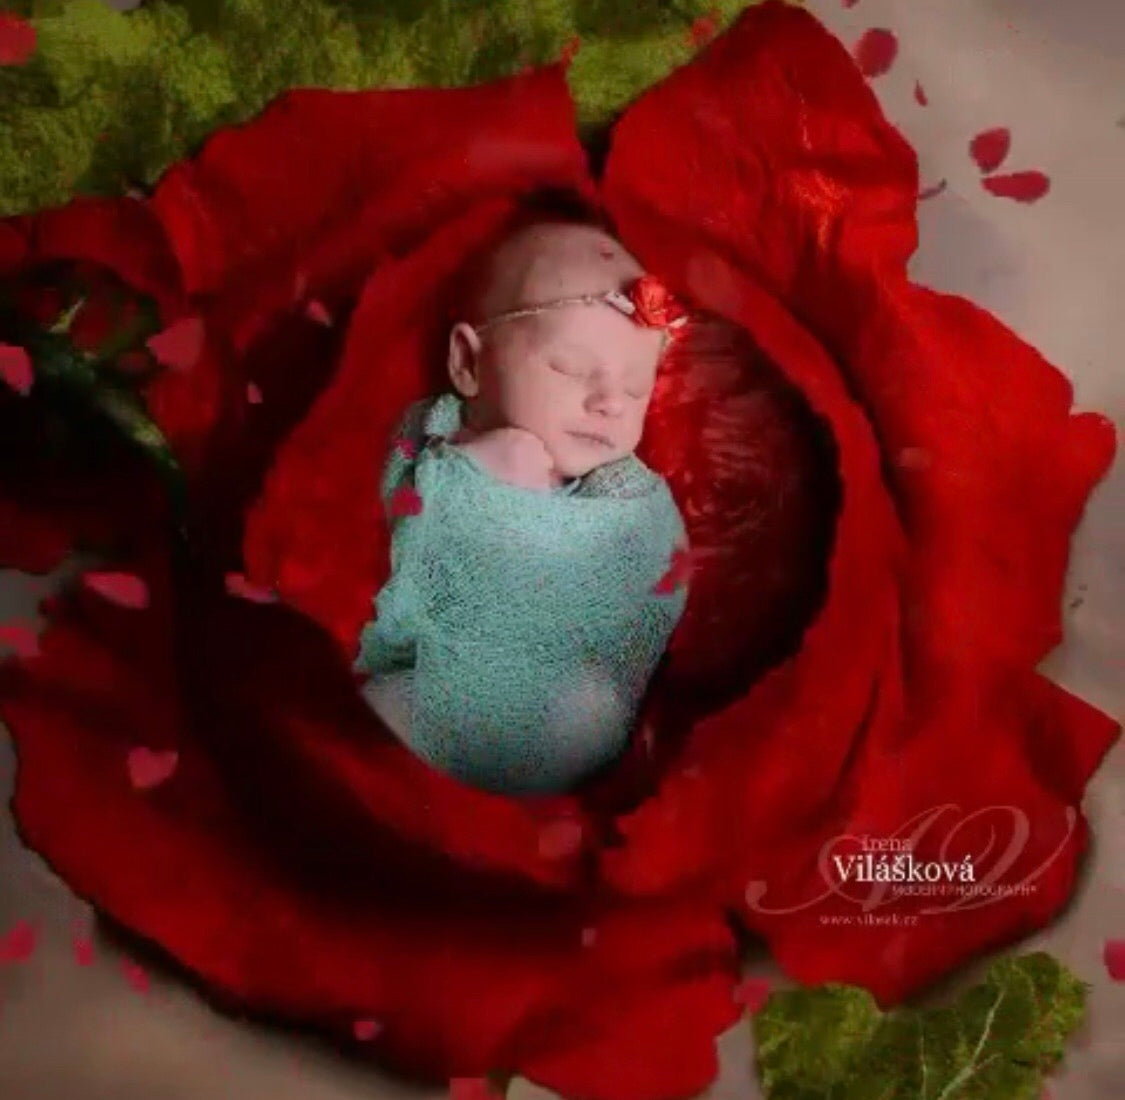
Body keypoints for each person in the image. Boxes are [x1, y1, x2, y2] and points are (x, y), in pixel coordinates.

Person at [354, 219, 691, 795]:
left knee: (593, 711)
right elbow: (396, 528)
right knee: (372, 715)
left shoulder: (627, 496)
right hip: (438, 683)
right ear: (468, 363)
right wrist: (476, 473)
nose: (610, 403)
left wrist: (542, 522)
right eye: (568, 369)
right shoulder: (432, 435)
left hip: (558, 697)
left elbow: (648, 590)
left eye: (636, 387)